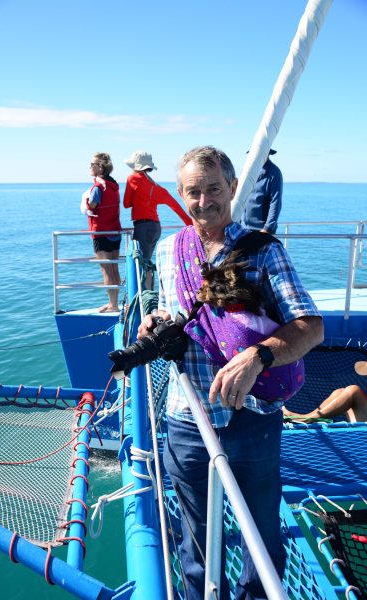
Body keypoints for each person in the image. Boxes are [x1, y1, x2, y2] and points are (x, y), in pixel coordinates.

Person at [137, 146, 324, 599]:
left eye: (214, 189)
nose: (204, 201)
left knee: (260, 527)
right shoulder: (169, 251)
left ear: (233, 188)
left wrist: (259, 355)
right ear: (180, 195)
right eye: (194, 192)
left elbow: (311, 326)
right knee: (196, 538)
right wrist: (156, 321)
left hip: (252, 418)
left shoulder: (262, 251)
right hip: (188, 418)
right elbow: (177, 310)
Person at [123, 150, 192, 287]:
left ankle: (143, 296)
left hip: (142, 227)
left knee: (141, 263)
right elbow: (177, 207)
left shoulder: (133, 179)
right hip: (155, 228)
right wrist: (191, 224)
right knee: (147, 262)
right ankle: (149, 294)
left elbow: (126, 204)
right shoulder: (157, 188)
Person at [81, 152, 121, 312]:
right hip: (115, 231)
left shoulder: (98, 187)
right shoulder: (113, 185)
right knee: (114, 268)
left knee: (106, 270)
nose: (90, 167)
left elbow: (93, 206)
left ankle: (113, 305)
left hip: (101, 232)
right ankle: (115, 302)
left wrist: (86, 201)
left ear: (100, 167)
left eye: (92, 164)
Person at [240, 149, 283, 234]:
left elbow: (275, 202)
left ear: (267, 153)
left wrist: (267, 228)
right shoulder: (249, 171)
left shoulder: (274, 173)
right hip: (244, 228)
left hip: (261, 230)